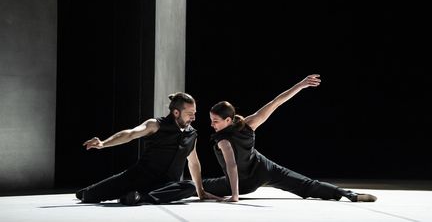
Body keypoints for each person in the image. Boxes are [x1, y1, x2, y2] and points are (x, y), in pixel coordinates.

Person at [202, 74, 377, 202]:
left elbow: (232, 166)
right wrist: (300, 85)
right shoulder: (249, 124)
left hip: (248, 179)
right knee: (307, 185)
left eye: (215, 121)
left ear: (228, 120)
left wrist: (234, 195)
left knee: (197, 186)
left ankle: (349, 194)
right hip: (263, 169)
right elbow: (275, 103)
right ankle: (347, 193)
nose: (212, 125)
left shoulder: (225, 139)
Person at [76, 92, 221, 205]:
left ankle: (138, 198)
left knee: (189, 186)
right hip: (138, 178)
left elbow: (193, 162)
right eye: (190, 114)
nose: (194, 117)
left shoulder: (192, 134)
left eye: (194, 113)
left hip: (164, 186)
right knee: (87, 196)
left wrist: (201, 191)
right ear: (176, 112)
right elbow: (130, 134)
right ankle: (131, 195)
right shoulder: (155, 124)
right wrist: (103, 143)